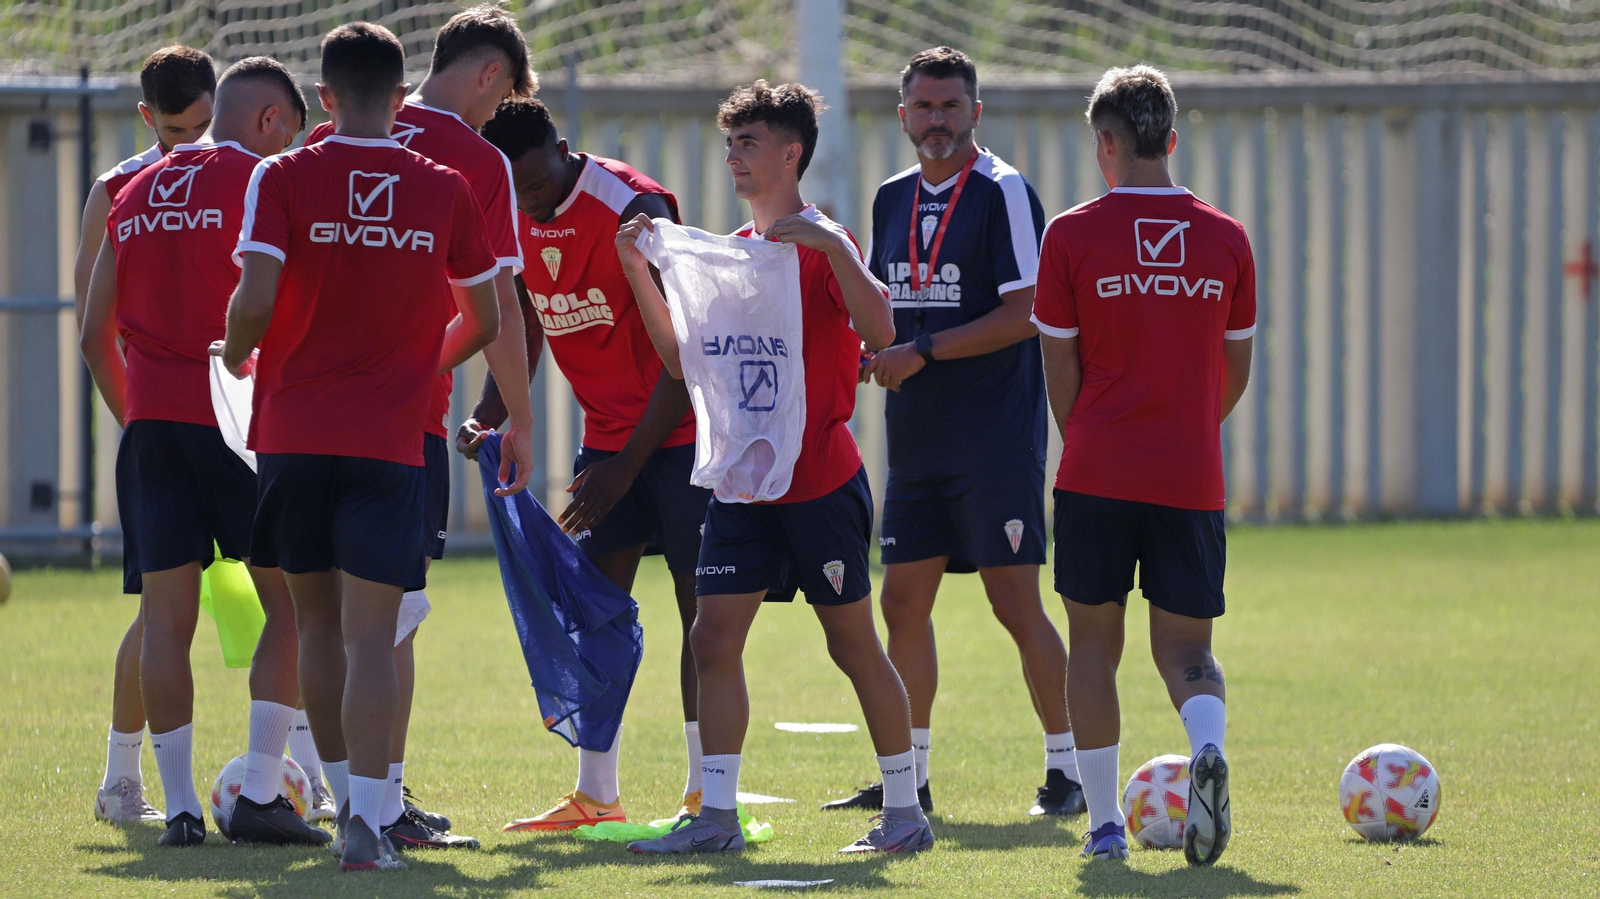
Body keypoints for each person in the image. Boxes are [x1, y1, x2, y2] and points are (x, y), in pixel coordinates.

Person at [617, 81, 933, 857]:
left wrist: (836, 249)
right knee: (713, 636)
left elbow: (883, 326)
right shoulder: (729, 251)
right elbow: (679, 361)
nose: (733, 158)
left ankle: (904, 812)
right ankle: (717, 814)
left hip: (820, 481)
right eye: (729, 143)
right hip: (740, 482)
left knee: (853, 644)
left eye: (747, 143)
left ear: (791, 152)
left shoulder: (823, 242)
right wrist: (635, 268)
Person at [217, 22, 505, 872]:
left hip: (294, 436)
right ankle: (369, 823)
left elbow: (255, 298)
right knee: (373, 637)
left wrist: (235, 357)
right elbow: (486, 319)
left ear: (327, 99)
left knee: (314, 625)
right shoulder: (446, 185)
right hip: (389, 440)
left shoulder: (283, 174)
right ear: (404, 95)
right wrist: (419, 362)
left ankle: (349, 803)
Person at [300, 2, 536, 850]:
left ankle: (312, 782)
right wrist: (518, 412)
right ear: (488, 74)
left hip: (298, 419)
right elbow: (498, 303)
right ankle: (377, 803)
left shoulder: (312, 151)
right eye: (501, 96)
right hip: (404, 419)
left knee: (316, 616)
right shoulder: (474, 159)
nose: (495, 113)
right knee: (388, 621)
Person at [80, 56, 326, 848]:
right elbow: (275, 299)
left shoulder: (127, 191)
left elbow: (92, 336)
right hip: (235, 418)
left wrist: (138, 416)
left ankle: (180, 806)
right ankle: (269, 779)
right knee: (290, 603)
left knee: (165, 621)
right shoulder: (254, 179)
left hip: (151, 424)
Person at [841, 45, 1079, 818]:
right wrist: (866, 353)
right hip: (916, 440)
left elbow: (1028, 310)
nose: (936, 120)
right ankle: (910, 776)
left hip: (994, 439)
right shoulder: (890, 198)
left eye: (950, 106)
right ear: (901, 113)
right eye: (923, 106)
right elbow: (889, 310)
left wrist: (925, 350)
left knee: (1015, 600)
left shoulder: (1004, 191)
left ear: (976, 112)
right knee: (903, 604)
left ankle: (1067, 771)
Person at [463, 97, 709, 831]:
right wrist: (492, 413)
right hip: (609, 442)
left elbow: (685, 350)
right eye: (516, 192)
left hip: (682, 435)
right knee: (596, 613)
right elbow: (523, 316)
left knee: (705, 619)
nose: (529, 203)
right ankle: (597, 795)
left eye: (538, 186)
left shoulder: (633, 204)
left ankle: (705, 792)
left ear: (563, 149)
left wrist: (626, 467)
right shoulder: (501, 203)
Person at [1030, 65, 1255, 864]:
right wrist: (1183, 426)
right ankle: (1205, 746)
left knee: (1094, 645)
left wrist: (1092, 432)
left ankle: (1100, 829)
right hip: (1190, 474)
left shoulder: (1072, 233)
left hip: (1095, 469)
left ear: (1106, 142)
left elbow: (1059, 369)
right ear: (1172, 138)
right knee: (1187, 650)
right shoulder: (1227, 237)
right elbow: (1236, 371)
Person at [76, 45, 215, 827]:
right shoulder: (116, 189)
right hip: (165, 426)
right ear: (144, 119)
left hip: (243, 426)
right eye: (172, 132)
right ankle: (122, 778)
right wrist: (139, 420)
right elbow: (94, 330)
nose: (188, 145)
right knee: (165, 612)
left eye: (202, 126)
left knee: (294, 599)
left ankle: (295, 770)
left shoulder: (250, 173)